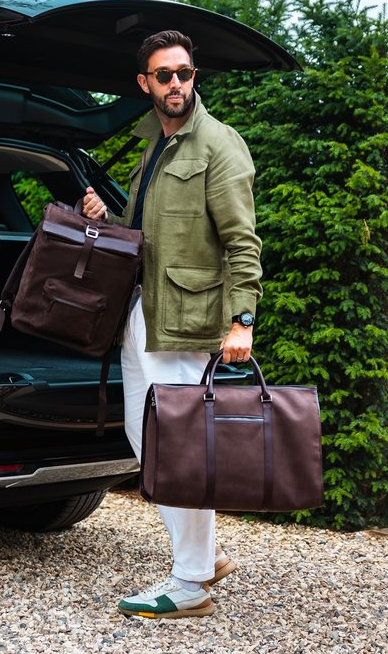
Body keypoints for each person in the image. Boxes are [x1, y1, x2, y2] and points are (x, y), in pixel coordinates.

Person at [83, 30, 262, 618]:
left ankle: (189, 583)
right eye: (165, 75)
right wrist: (104, 216)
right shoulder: (153, 146)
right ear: (146, 84)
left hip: (188, 322)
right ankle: (203, 559)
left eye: (185, 72)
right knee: (148, 442)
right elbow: (142, 234)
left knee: (174, 450)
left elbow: (242, 243)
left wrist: (242, 320)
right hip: (143, 316)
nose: (178, 84)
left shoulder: (218, 145)